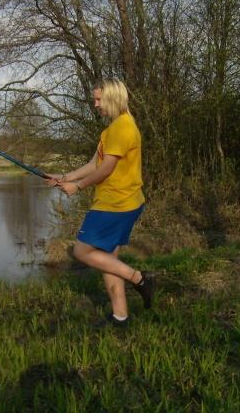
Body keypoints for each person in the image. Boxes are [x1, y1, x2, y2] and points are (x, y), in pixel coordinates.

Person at [46, 78, 153, 328]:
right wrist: (63, 178)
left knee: (81, 251)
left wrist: (78, 186)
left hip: (115, 204)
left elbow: (105, 170)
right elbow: (94, 163)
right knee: (107, 259)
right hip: (121, 202)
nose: (95, 104)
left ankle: (140, 280)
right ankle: (120, 317)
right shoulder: (111, 130)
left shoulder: (123, 128)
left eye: (98, 100)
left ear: (113, 98)